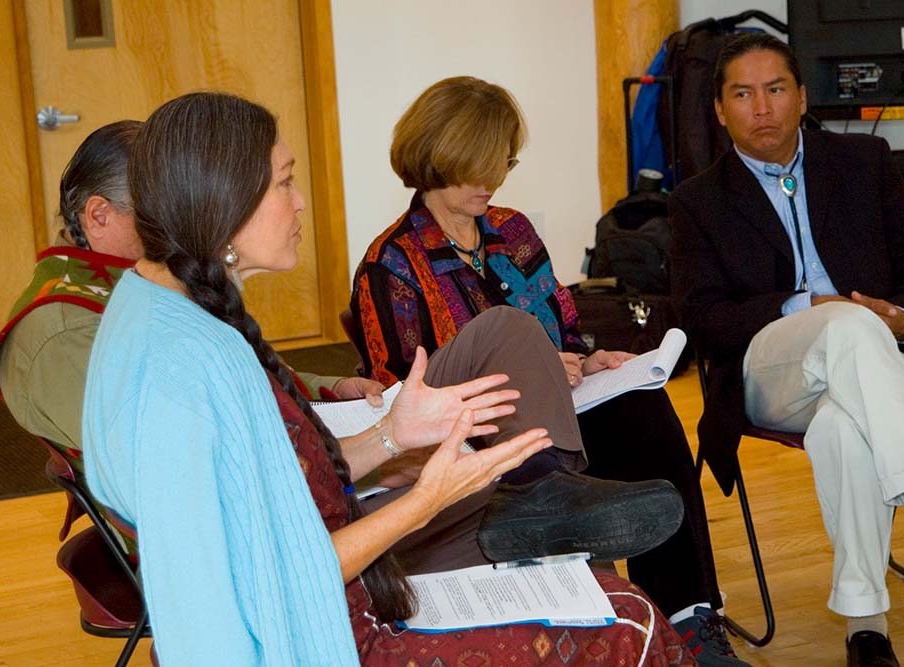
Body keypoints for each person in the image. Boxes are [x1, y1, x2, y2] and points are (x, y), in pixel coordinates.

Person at [83, 91, 697, 665]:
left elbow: (272, 499)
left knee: (601, 583)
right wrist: (428, 499)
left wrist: (391, 438)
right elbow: (281, 578)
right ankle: (532, 509)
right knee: (629, 622)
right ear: (224, 198)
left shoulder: (165, 315)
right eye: (286, 181)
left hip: (340, 588)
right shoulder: (183, 370)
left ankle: (540, 502)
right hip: (335, 634)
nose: (300, 202)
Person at [352, 76, 749, 666]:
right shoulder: (391, 266)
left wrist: (588, 361)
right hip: (478, 445)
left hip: (563, 419)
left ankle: (690, 617)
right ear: (436, 158)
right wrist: (532, 370)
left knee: (643, 405)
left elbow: (562, 326)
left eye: (502, 163)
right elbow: (400, 399)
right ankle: (568, 536)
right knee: (560, 388)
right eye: (475, 165)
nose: (491, 181)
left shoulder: (513, 231)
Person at [668, 32, 904, 666]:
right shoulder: (696, 201)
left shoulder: (862, 162)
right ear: (720, 110)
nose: (763, 108)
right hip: (770, 373)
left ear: (803, 96)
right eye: (744, 94)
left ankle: (865, 629)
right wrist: (805, 307)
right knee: (842, 324)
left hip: (870, 365)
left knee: (844, 428)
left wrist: (900, 319)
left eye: (776, 89)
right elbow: (703, 319)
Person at [0, 121, 382, 552]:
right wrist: (364, 453)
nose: (182, 222)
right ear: (100, 216)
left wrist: (326, 386)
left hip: (256, 481)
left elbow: (234, 380)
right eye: (158, 211)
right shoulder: (62, 334)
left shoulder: (143, 281)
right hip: (207, 538)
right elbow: (178, 474)